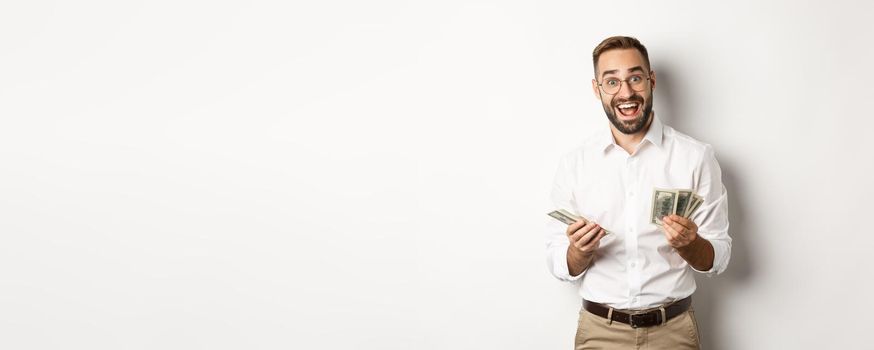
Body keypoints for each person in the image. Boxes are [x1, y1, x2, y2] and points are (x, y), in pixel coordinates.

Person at [545, 36, 731, 349]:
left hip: (673, 332)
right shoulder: (575, 163)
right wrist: (579, 252)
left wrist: (692, 245)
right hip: (599, 333)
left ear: (651, 81)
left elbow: (720, 255)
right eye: (612, 81)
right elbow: (556, 259)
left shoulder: (696, 157)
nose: (626, 92)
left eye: (634, 78)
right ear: (597, 90)